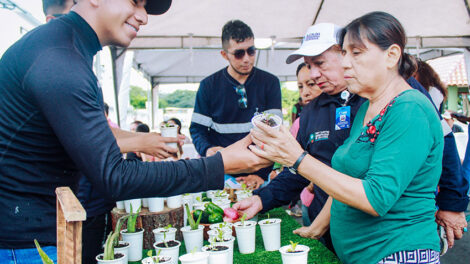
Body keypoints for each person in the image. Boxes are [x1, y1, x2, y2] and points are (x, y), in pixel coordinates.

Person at [0, 1, 270, 262]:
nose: (143, 16)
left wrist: (145, 140)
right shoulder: (59, 58)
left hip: (37, 230)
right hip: (23, 242)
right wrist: (217, 164)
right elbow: (113, 176)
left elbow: (93, 139)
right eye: (135, 1)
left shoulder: (66, 49)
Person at [234, 22, 469, 253]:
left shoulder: (400, 97)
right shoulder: (322, 108)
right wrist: (264, 199)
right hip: (345, 239)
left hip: (392, 244)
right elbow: (322, 171)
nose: (314, 74)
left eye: (320, 63)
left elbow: (441, 141)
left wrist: (452, 202)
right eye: (308, 65)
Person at [190, 19, 282, 189]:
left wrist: (260, 174)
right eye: (239, 53)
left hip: (259, 173)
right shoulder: (208, 86)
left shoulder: (270, 83)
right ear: (224, 55)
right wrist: (207, 149)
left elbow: (274, 132)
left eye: (251, 51)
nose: (247, 59)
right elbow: (197, 129)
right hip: (222, 173)